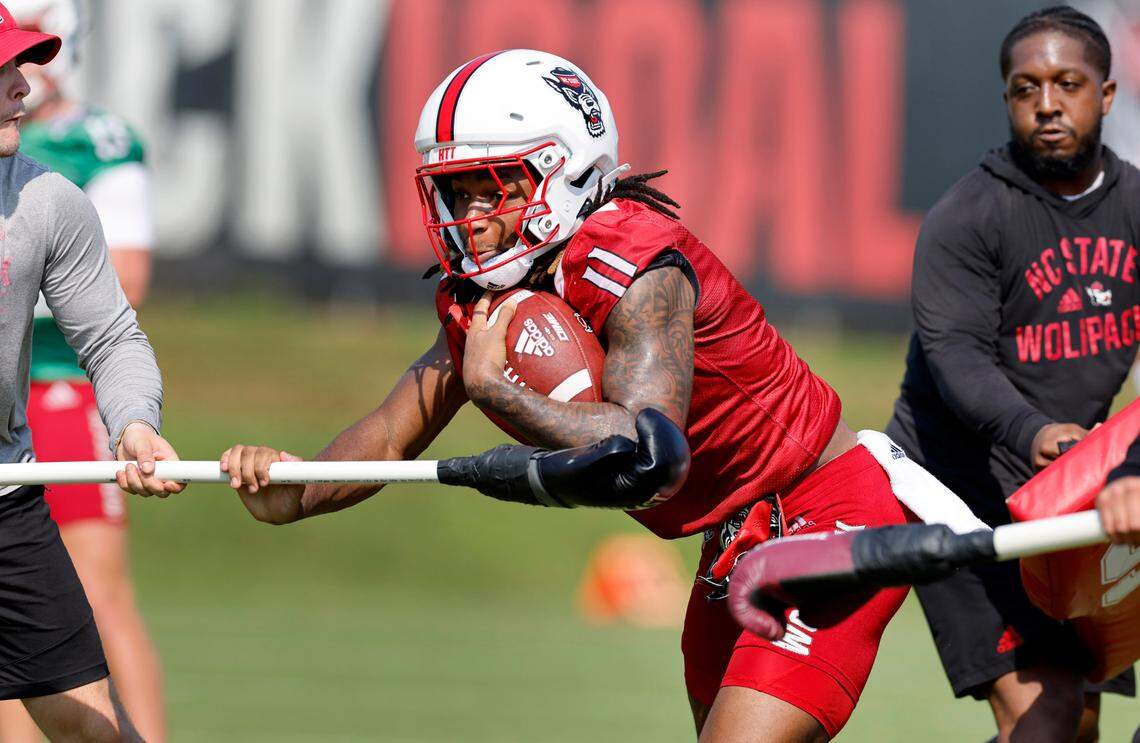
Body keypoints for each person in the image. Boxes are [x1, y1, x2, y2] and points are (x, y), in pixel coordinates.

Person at [218, 48, 950, 742]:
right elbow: (389, 431)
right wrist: (293, 489)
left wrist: (499, 396)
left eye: (491, 186)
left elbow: (647, 448)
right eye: (456, 190)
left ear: (563, 171)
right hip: (730, 539)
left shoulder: (632, 258)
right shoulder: (489, 292)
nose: (469, 215)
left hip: (825, 509)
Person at [885, 6, 1138, 741]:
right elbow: (956, 354)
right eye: (1027, 88)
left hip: (1076, 493)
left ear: (1108, 95)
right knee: (1051, 714)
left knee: (1079, 718)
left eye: (1068, 83)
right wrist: (1032, 430)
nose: (1048, 104)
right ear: (1007, 101)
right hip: (960, 488)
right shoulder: (969, 216)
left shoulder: (1136, 209)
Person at [0, 4, 183, 740]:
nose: (24, 84)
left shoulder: (47, 200)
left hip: (7, 498)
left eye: (21, 62)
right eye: (5, 68)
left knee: (92, 727)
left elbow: (110, 336)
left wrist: (134, 423)